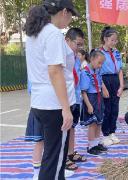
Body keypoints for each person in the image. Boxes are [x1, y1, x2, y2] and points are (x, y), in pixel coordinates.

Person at [25, 0, 79, 179]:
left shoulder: (35, 33)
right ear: (64, 12)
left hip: (40, 102)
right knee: (55, 159)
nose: (70, 20)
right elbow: (55, 71)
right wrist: (65, 109)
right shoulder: (53, 34)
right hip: (55, 104)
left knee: (52, 156)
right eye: (71, 15)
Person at [64, 28, 86, 170]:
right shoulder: (60, 56)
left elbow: (76, 79)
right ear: (67, 41)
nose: (79, 48)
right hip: (64, 100)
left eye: (81, 45)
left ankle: (71, 152)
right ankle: (63, 156)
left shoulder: (75, 58)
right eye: (77, 44)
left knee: (72, 128)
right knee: (64, 129)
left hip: (75, 99)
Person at [80, 50, 109, 155]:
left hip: (98, 97)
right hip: (90, 99)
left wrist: (104, 90)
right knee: (92, 123)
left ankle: (96, 144)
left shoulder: (97, 71)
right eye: (99, 63)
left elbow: (100, 83)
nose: (100, 65)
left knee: (99, 122)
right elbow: (83, 92)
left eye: (102, 63)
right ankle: (91, 146)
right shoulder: (85, 72)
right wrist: (88, 105)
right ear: (92, 59)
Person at [99, 26, 124, 146]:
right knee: (106, 109)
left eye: (116, 40)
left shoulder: (117, 52)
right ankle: (105, 134)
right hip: (105, 80)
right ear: (105, 39)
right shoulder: (98, 52)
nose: (114, 42)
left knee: (115, 108)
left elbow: (120, 69)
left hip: (115, 80)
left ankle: (112, 132)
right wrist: (103, 87)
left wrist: (121, 85)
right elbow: (97, 71)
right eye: (112, 40)